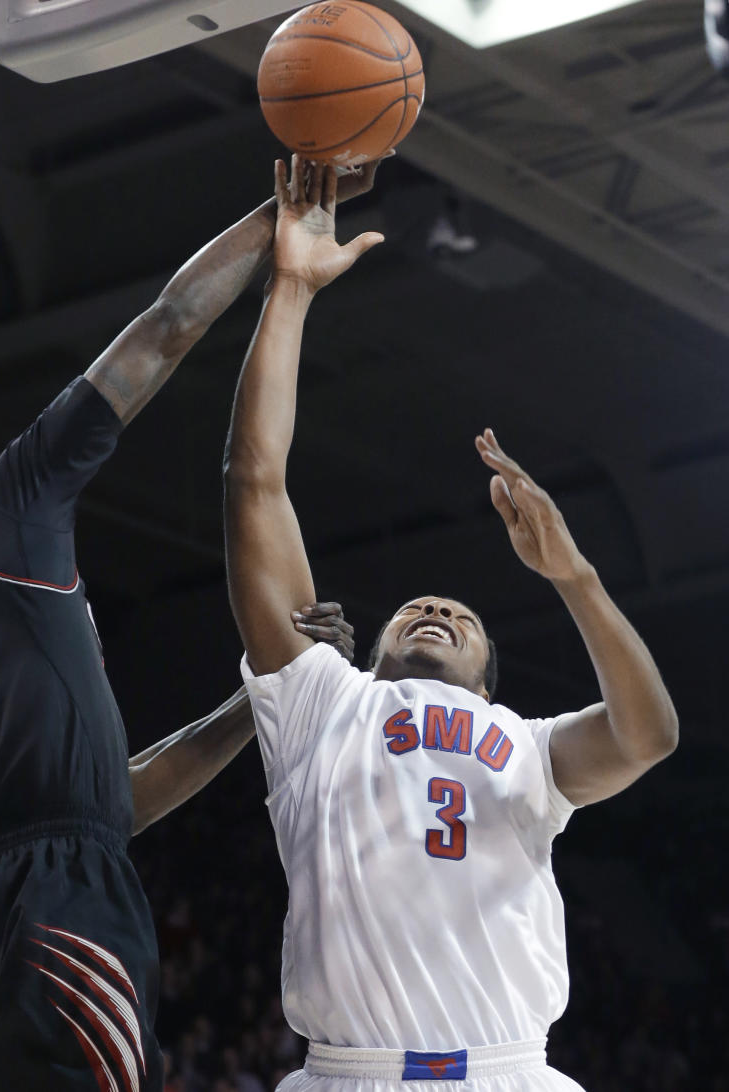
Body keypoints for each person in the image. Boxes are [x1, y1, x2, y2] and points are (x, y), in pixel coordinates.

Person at [0, 164, 375, 1092]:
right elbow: (168, 325)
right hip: (49, 902)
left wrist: (260, 696)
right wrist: (283, 218)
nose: (6, 466)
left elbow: (115, 801)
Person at [222, 156, 679, 1092]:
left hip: (512, 1074)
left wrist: (577, 576)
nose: (433, 607)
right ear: (377, 649)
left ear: (489, 677)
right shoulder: (317, 704)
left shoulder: (527, 747)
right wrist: (292, 291)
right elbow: (253, 481)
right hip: (347, 1074)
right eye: (416, 609)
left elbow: (648, 737)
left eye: (459, 614)